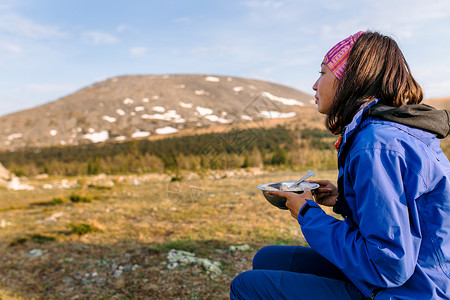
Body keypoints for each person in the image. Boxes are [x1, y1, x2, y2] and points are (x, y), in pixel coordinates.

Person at [230, 30, 450, 299]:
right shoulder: (395, 131)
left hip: (411, 291)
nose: (314, 85)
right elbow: (405, 217)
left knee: (246, 286)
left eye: (323, 72)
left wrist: (308, 214)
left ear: (350, 79)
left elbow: (389, 265)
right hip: (423, 276)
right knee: (267, 258)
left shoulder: (376, 144)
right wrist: (343, 200)